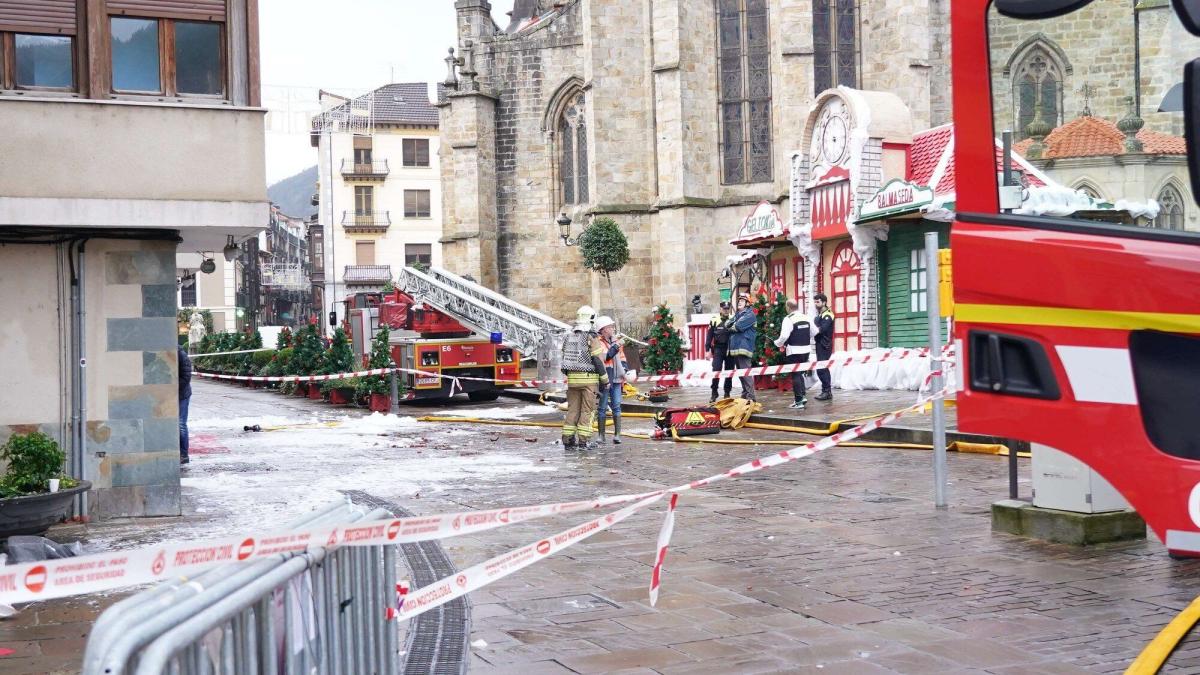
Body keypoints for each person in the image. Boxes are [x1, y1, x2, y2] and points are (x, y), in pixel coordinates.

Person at [561, 305, 608, 449]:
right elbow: (597, 360)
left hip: (572, 381)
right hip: (589, 381)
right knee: (587, 411)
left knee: (573, 410)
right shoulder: (591, 337)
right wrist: (605, 379)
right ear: (591, 319)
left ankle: (568, 440)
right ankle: (583, 440)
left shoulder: (569, 336)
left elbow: (564, 357)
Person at [773, 299, 812, 409]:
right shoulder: (806, 317)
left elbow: (784, 336)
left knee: (795, 374)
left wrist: (777, 343)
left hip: (794, 350)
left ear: (788, 308)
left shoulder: (788, 319)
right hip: (806, 350)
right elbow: (814, 331)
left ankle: (799, 400)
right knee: (800, 373)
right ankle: (802, 396)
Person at [594, 316, 628, 444]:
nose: (612, 329)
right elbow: (606, 356)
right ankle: (601, 436)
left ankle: (617, 435)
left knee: (616, 406)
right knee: (602, 408)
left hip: (617, 378)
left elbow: (622, 357)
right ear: (603, 330)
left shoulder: (616, 341)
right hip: (605, 379)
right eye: (610, 327)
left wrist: (625, 369)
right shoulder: (598, 342)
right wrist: (616, 346)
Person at [727, 294, 758, 402]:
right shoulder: (738, 314)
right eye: (739, 300)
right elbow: (727, 324)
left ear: (748, 303)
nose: (739, 302)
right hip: (736, 348)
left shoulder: (750, 315)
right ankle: (745, 394)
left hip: (744, 348)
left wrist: (732, 325)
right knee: (741, 374)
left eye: (742, 300)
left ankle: (751, 397)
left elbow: (737, 326)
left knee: (746, 373)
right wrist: (731, 324)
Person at [706, 301, 735, 403]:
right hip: (718, 348)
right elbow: (709, 336)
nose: (726, 311)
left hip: (730, 349)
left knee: (729, 371)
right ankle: (714, 392)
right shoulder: (714, 320)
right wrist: (707, 350)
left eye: (728, 309)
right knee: (716, 370)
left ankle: (727, 392)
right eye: (724, 309)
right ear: (720, 309)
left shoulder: (733, 319)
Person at [812, 293, 836, 401]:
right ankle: (825, 391)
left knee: (822, 368)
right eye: (815, 302)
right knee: (821, 368)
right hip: (819, 343)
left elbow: (824, 328)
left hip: (825, 344)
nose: (816, 304)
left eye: (818, 302)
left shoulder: (828, 314)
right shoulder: (819, 315)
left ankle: (827, 392)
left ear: (824, 302)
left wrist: (814, 329)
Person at [178, 346, 193, 465]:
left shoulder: (180, 354)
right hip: (174, 394)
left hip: (182, 395)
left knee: (181, 424)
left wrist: (172, 387)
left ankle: (184, 454)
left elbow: (186, 376)